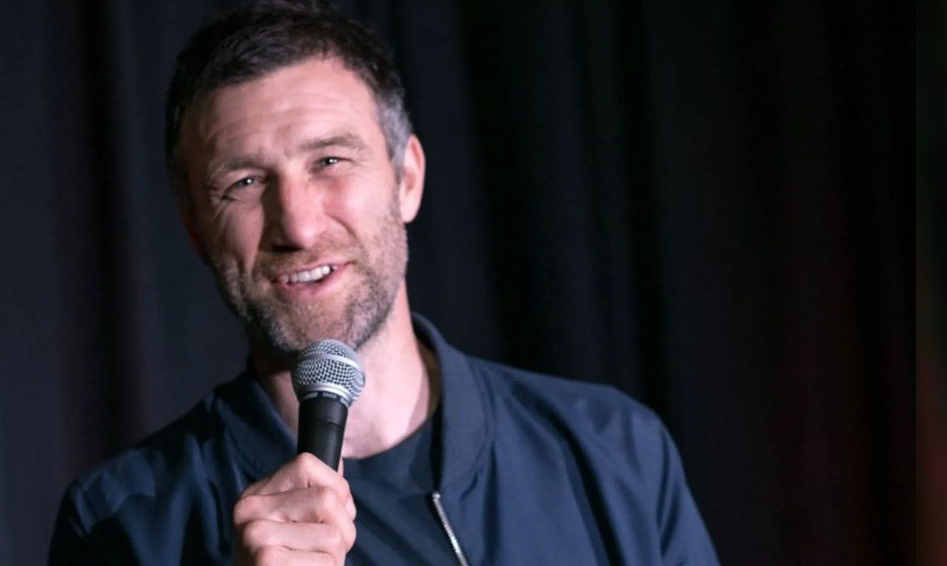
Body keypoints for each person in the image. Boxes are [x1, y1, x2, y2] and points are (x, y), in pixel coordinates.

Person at [48, 2, 719, 564]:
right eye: (245, 182)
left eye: (329, 160)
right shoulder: (121, 526)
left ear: (407, 179)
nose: (298, 225)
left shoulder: (614, 451)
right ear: (195, 227)